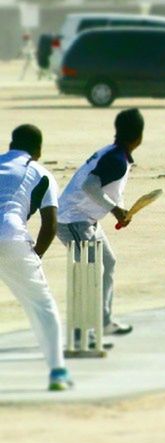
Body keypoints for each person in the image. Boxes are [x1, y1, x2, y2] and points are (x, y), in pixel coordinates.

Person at [56, 108, 144, 338]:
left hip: (86, 219)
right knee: (89, 272)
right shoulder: (116, 160)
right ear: (139, 137)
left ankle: (103, 322)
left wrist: (120, 209)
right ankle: (81, 332)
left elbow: (109, 189)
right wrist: (115, 210)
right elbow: (90, 186)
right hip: (72, 220)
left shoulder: (114, 153)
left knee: (107, 262)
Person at [0, 125, 73, 391]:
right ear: (39, 150)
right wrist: (36, 256)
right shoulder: (41, 172)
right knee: (42, 307)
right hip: (12, 237)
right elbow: (50, 224)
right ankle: (57, 372)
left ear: (10, 144)